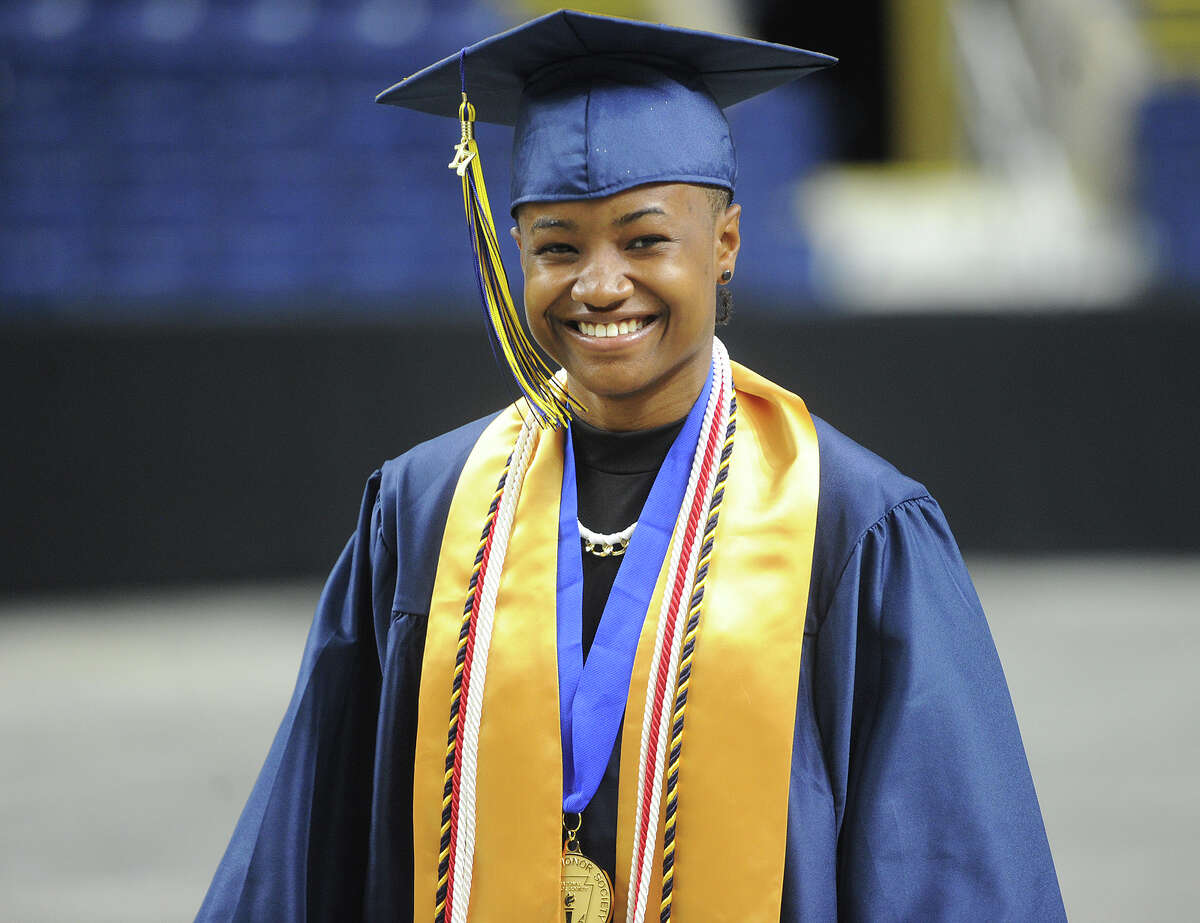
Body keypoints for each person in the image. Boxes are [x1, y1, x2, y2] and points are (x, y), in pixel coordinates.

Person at [196, 10, 1065, 922]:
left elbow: (948, 869)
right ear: (518, 251)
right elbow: (301, 852)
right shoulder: (424, 511)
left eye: (644, 240)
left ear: (724, 242)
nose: (600, 286)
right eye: (558, 246)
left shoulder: (851, 525)